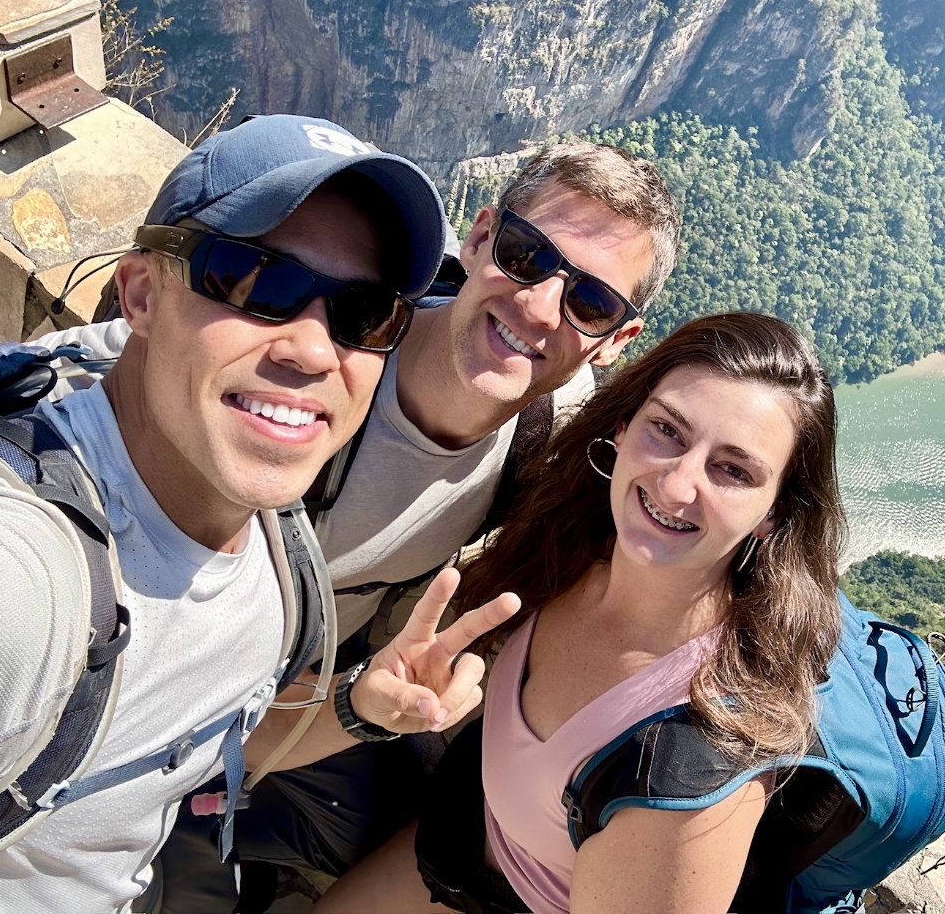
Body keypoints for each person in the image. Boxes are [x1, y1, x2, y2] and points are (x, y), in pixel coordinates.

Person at [0, 140, 683, 905]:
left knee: (392, 820)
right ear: (480, 237)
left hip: (274, 693)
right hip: (129, 658)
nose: (541, 305)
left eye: (590, 301)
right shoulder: (328, 348)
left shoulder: (550, 447)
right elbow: (62, 374)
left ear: (615, 340)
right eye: (523, 253)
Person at [317, 312, 847, 914]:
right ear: (622, 427)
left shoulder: (692, 765)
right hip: (462, 842)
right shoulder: (573, 546)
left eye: (733, 470)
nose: (676, 486)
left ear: (774, 513)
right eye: (667, 430)